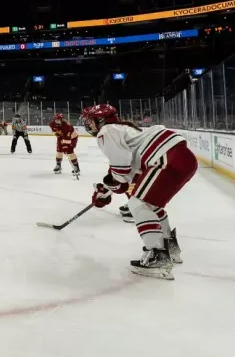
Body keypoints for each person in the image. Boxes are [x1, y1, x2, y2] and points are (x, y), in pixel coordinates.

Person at [83, 103, 197, 280]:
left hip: (165, 158)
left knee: (138, 203)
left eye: (90, 121)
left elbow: (121, 171)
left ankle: (158, 256)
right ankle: (170, 247)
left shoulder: (106, 131)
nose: (88, 124)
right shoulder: (125, 129)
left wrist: (108, 189)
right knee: (150, 204)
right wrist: (106, 189)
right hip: (180, 158)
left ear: (100, 120)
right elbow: (126, 172)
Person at [49, 113, 80, 177]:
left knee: (70, 152)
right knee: (59, 150)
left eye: (58, 120)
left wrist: (65, 147)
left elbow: (67, 138)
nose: (57, 121)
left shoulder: (67, 126)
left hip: (72, 138)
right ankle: (58, 165)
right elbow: (56, 132)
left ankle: (76, 167)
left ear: (62, 120)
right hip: (61, 137)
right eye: (56, 120)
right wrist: (59, 137)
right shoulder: (52, 124)